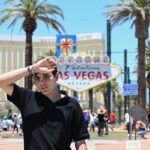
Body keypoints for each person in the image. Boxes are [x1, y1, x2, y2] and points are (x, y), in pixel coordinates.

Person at [0, 57, 89, 150]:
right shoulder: (27, 98)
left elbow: (80, 142)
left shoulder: (71, 105)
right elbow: (1, 82)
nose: (42, 82)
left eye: (46, 76)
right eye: (37, 78)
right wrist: (33, 68)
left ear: (56, 77)